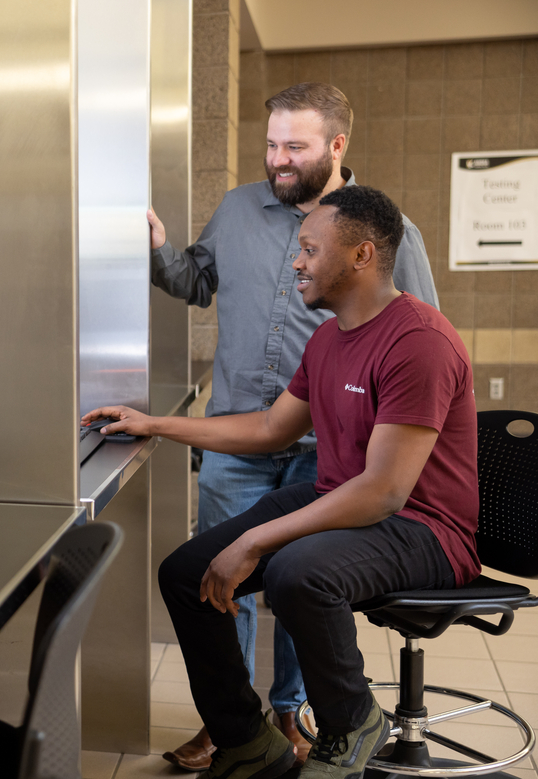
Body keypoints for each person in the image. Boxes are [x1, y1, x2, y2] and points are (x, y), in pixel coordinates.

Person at [86, 185, 477, 779]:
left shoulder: (418, 341)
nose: (296, 261)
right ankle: (247, 742)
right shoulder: (328, 338)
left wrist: (254, 541)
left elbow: (385, 491)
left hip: (423, 529)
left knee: (298, 572)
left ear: (362, 255)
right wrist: (155, 425)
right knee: (186, 573)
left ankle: (351, 721)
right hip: (345, 500)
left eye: (310, 249)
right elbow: (271, 428)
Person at [148, 82, 439, 768]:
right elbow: (196, 281)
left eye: (295, 147)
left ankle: (291, 710)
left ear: (337, 147)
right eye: (271, 144)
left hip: (337, 453)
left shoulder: (387, 233)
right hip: (243, 429)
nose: (277, 160)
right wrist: (159, 249)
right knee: (220, 578)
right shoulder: (239, 209)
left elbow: (415, 328)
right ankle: (231, 722)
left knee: (296, 579)